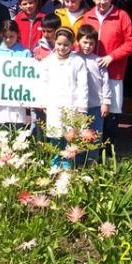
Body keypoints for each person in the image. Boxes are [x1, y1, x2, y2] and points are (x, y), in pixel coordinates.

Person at [81, 0, 132, 149]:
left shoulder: (121, 16)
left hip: (113, 73)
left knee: (110, 113)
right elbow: (80, 41)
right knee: (91, 112)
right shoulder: (87, 16)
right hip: (90, 74)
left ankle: (107, 153)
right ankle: (90, 151)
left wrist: (112, 56)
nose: (102, 2)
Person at [41, 27, 88, 169]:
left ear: (72, 44)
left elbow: (82, 86)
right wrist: (44, 102)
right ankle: (55, 166)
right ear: (54, 42)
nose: (62, 48)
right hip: (54, 105)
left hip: (71, 105)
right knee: (55, 136)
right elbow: (44, 83)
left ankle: (67, 166)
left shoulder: (77, 61)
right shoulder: (48, 61)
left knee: (70, 136)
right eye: (59, 44)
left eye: (66, 45)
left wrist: (82, 107)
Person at [76, 25, 111, 159]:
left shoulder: (98, 61)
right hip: (77, 106)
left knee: (95, 135)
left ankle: (92, 162)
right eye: (85, 42)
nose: (87, 46)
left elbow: (105, 83)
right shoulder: (73, 59)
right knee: (77, 135)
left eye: (91, 43)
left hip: (95, 105)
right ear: (78, 41)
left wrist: (105, 102)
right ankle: (77, 162)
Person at [0, 20, 32, 132]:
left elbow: (29, 78)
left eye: (11, 36)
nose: (8, 40)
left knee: (18, 131)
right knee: (1, 131)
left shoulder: (25, 53)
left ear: (17, 34)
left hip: (18, 97)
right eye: (5, 37)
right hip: (1, 99)